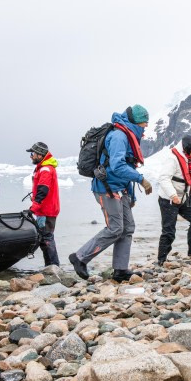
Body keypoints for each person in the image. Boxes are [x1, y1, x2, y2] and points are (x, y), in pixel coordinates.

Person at [69, 105, 153, 282]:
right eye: (144, 122)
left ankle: (120, 270)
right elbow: (118, 166)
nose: (146, 126)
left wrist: (131, 195)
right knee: (115, 228)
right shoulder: (118, 136)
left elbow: (127, 166)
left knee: (127, 228)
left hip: (120, 189)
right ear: (135, 122)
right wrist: (141, 180)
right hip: (106, 188)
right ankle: (79, 257)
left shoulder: (127, 135)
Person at [155, 134, 191, 265]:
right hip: (169, 199)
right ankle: (161, 259)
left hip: (183, 198)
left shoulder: (189, 159)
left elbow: (187, 179)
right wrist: (173, 195)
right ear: (187, 147)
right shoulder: (172, 158)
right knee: (169, 230)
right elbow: (163, 178)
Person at [26, 142, 61, 266]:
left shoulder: (45, 169)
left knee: (46, 238)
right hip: (45, 209)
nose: (31, 156)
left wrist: (33, 208)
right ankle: (51, 266)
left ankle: (53, 267)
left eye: (32, 153)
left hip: (46, 210)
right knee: (44, 238)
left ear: (40, 155)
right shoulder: (44, 168)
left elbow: (43, 191)